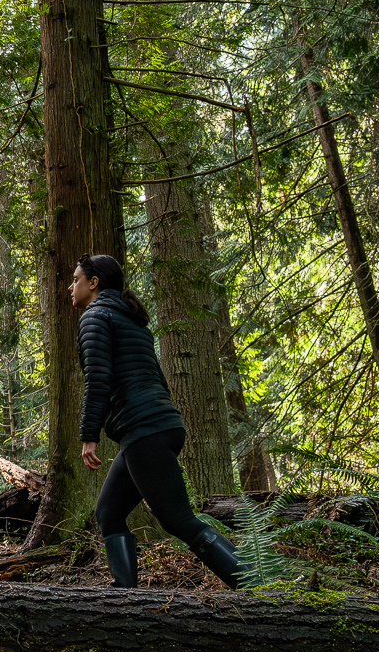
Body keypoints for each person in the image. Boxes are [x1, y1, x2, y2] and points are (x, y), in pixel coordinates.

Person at [70, 253, 249, 590]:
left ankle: (255, 582)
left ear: (93, 283)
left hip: (144, 429)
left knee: (178, 521)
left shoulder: (95, 317)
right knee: (108, 512)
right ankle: (123, 593)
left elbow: (98, 379)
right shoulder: (131, 319)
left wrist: (88, 435)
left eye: (76, 279)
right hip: (157, 426)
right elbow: (157, 377)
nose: (70, 287)